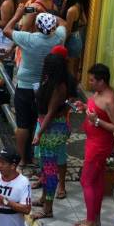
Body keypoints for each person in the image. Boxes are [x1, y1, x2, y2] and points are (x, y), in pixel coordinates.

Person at [3, 8, 66, 171]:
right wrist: (50, 14)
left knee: (23, 124)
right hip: (45, 89)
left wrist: (17, 15)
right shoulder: (58, 37)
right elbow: (64, 23)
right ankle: (39, 157)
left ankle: (23, 159)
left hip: (24, 85)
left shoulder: (28, 38)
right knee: (40, 121)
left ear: (37, 26)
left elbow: (7, 30)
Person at [74, 64, 114, 226]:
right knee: (96, 180)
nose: (90, 82)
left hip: (99, 145)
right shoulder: (97, 93)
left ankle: (90, 222)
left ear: (102, 81)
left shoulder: (109, 99)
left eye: (93, 80)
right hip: (92, 141)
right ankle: (95, 218)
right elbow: (93, 111)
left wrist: (97, 121)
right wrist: (85, 108)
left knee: (86, 181)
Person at [32, 52, 75, 217]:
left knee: (50, 171)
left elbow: (50, 113)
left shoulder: (58, 87)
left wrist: (39, 133)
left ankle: (48, 210)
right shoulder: (52, 81)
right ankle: (44, 198)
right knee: (45, 166)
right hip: (50, 127)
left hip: (52, 130)